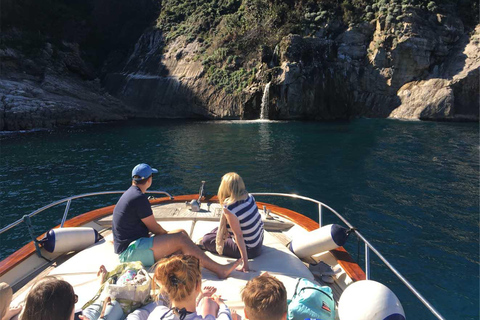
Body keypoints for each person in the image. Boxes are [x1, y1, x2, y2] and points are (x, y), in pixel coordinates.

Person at [112, 163, 240, 279]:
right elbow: (155, 228)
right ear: (149, 179)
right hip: (130, 252)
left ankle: (193, 264)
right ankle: (219, 269)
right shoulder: (139, 198)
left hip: (135, 245)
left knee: (181, 233)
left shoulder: (131, 194)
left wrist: (169, 237)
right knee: (179, 239)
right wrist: (169, 237)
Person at [202, 173, 264, 272]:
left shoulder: (230, 208)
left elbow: (238, 235)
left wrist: (245, 264)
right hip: (259, 243)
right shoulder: (250, 197)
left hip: (251, 251)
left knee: (206, 240)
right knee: (218, 230)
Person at [147, 254, 232, 320]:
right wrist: (222, 304)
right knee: (208, 303)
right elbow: (225, 317)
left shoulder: (158, 313)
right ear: (198, 286)